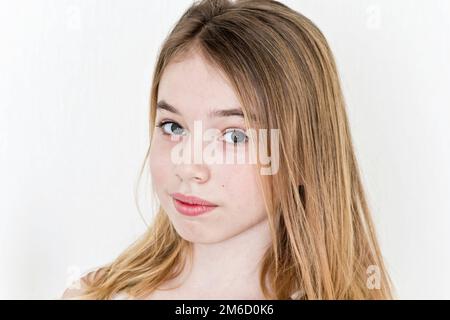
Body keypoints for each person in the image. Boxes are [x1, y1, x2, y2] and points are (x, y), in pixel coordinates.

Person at [62, 0, 394, 300]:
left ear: (305, 155)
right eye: (173, 127)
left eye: (234, 137)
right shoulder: (92, 295)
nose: (189, 166)